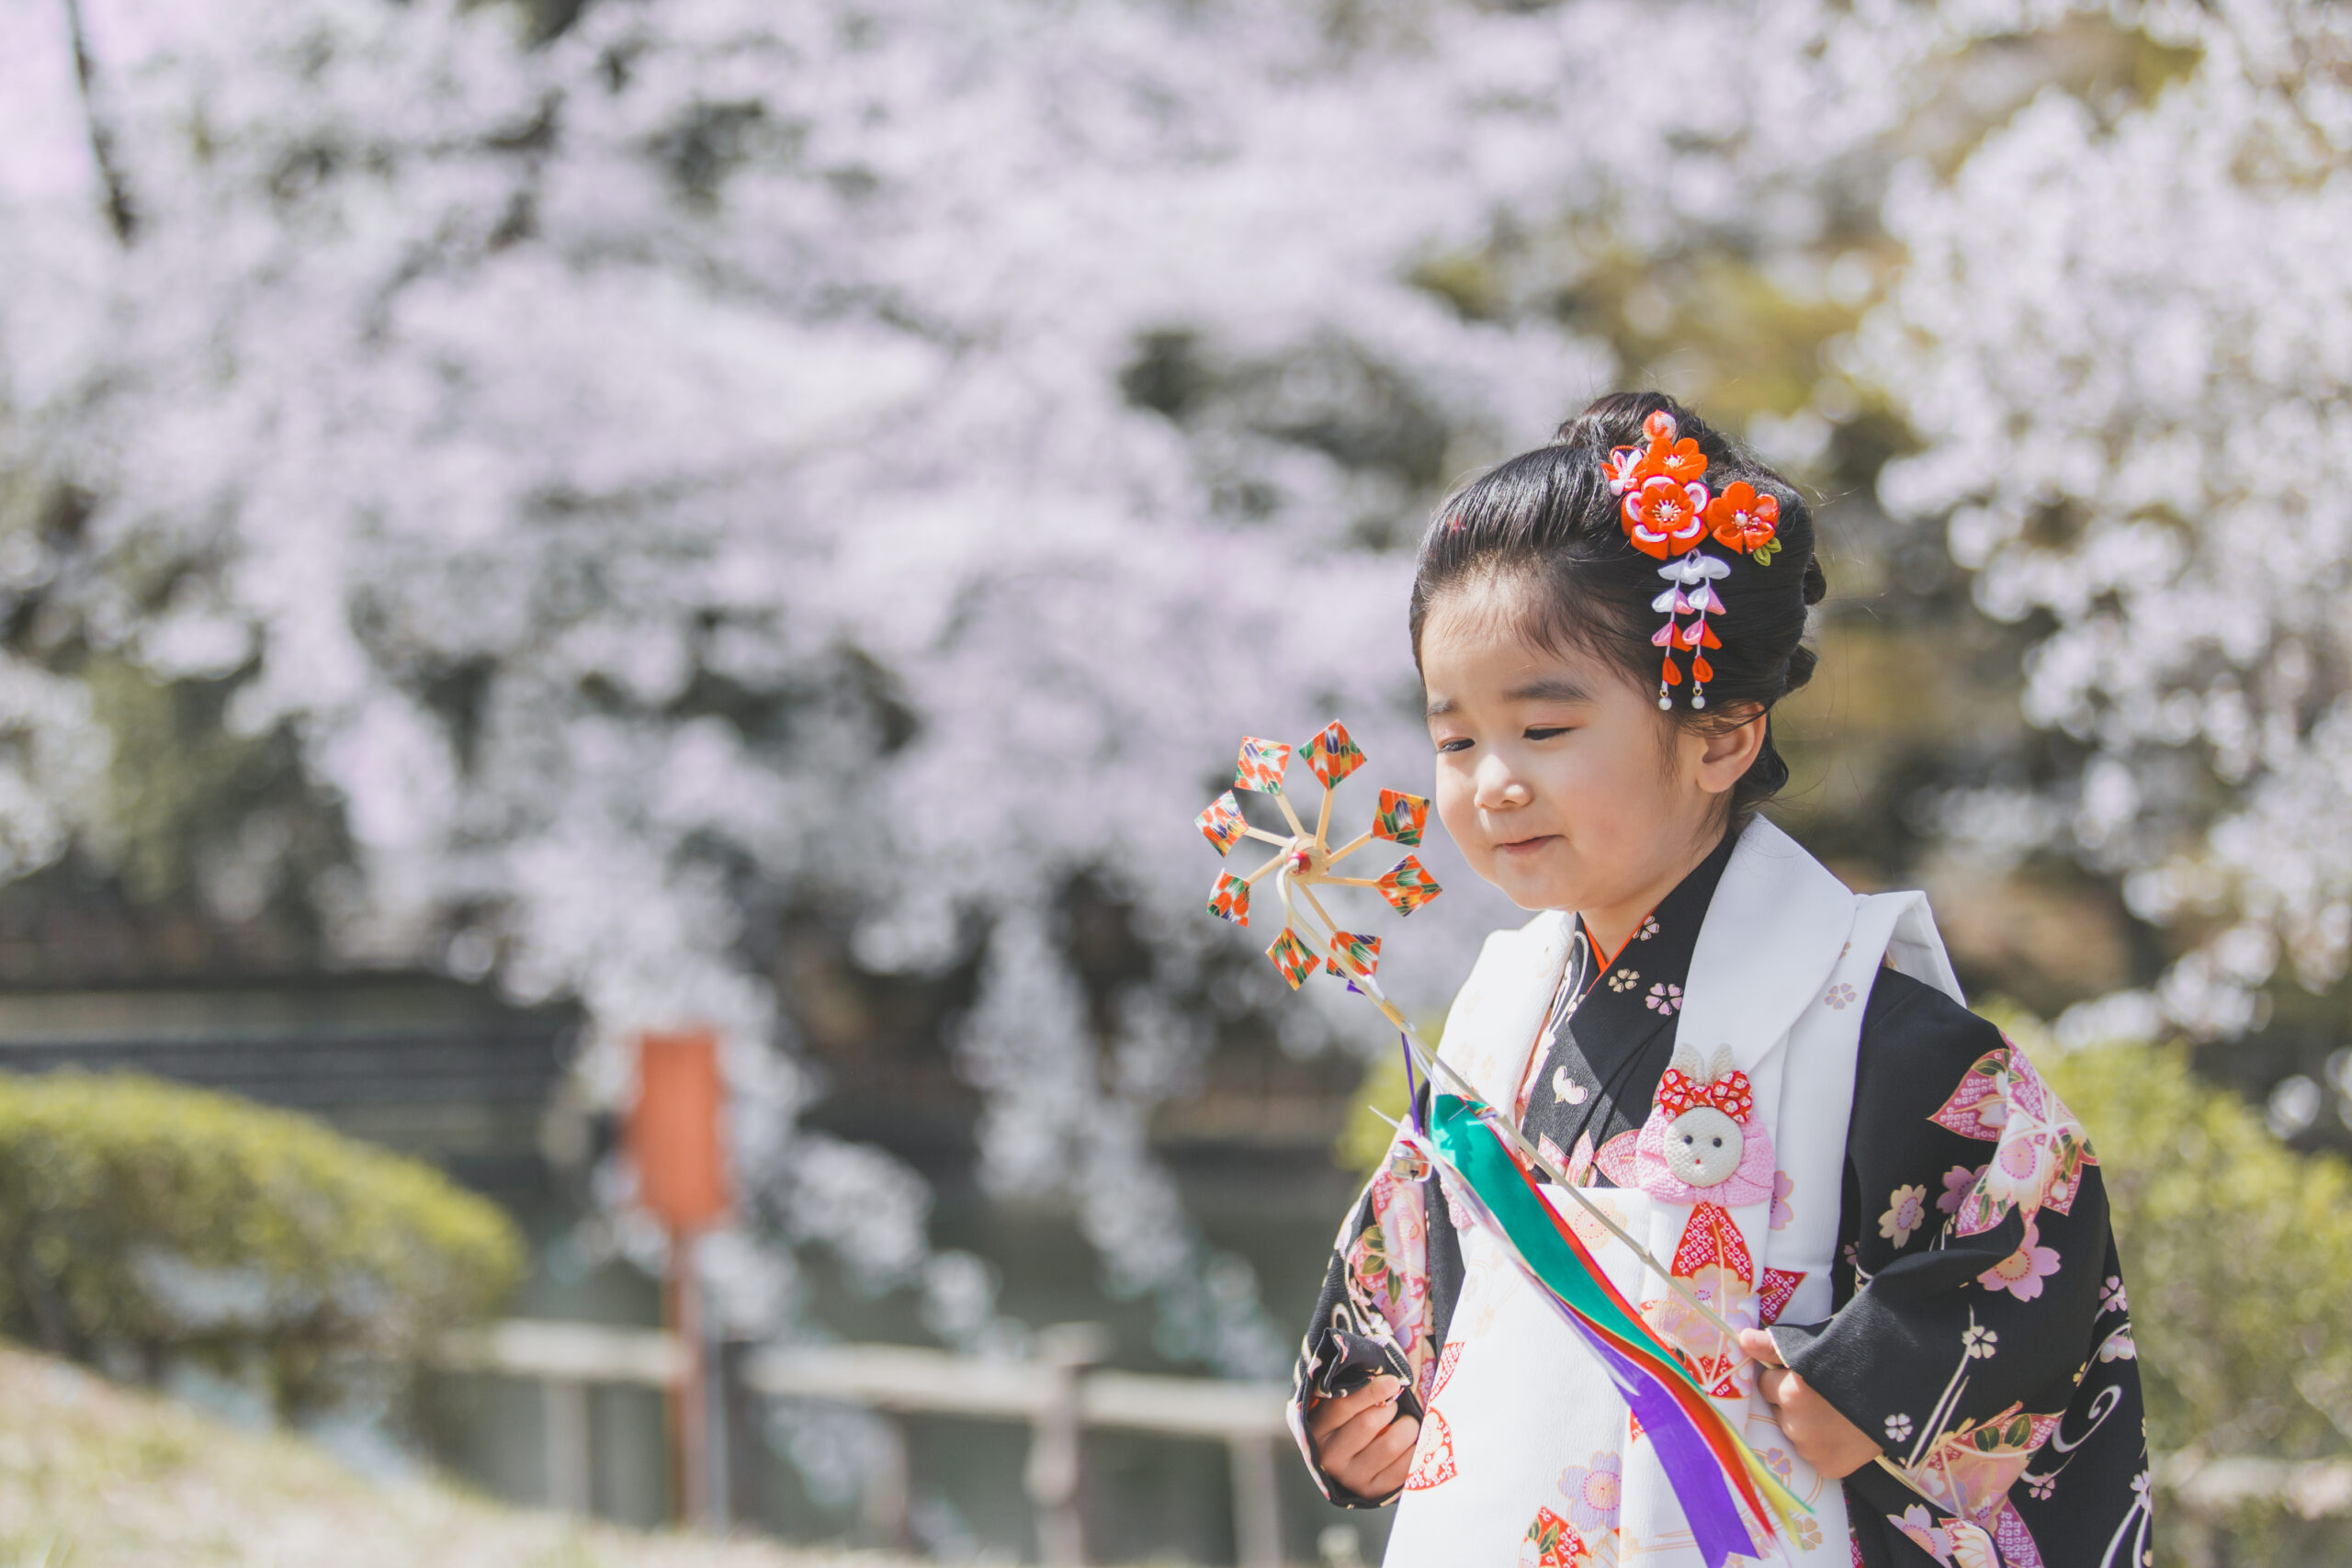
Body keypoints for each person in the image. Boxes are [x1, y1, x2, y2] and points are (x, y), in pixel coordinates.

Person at [1287, 393, 2149, 1567]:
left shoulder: (1860, 1020)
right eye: (1454, 740)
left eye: (1542, 731)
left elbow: (2027, 1226)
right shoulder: (1495, 1020)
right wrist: (1358, 1403)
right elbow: (1407, 1263)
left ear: (1719, 737)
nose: (1491, 782)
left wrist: (1867, 1382)